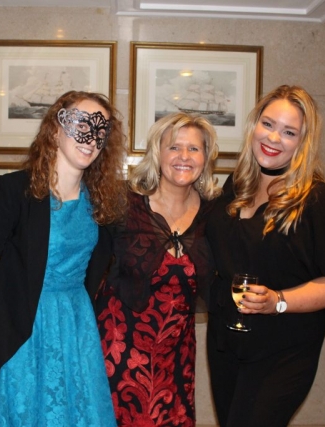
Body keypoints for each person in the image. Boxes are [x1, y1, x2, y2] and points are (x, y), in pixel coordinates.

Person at [0, 91, 127, 427]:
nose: (90, 139)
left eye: (100, 131)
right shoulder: (14, 191)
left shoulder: (103, 202)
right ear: (55, 129)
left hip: (75, 331)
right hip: (21, 330)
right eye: (81, 125)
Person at [205, 85, 325, 427]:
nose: (274, 138)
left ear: (303, 142)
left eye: (289, 132)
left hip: (282, 348)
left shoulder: (318, 201)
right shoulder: (236, 185)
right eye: (268, 124)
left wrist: (277, 301)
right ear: (254, 125)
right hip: (226, 339)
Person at [95, 112, 221, 426]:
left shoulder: (215, 216)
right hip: (117, 352)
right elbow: (80, 257)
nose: (184, 156)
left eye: (194, 148)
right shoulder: (124, 205)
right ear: (158, 153)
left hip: (177, 358)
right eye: (174, 147)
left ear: (206, 158)